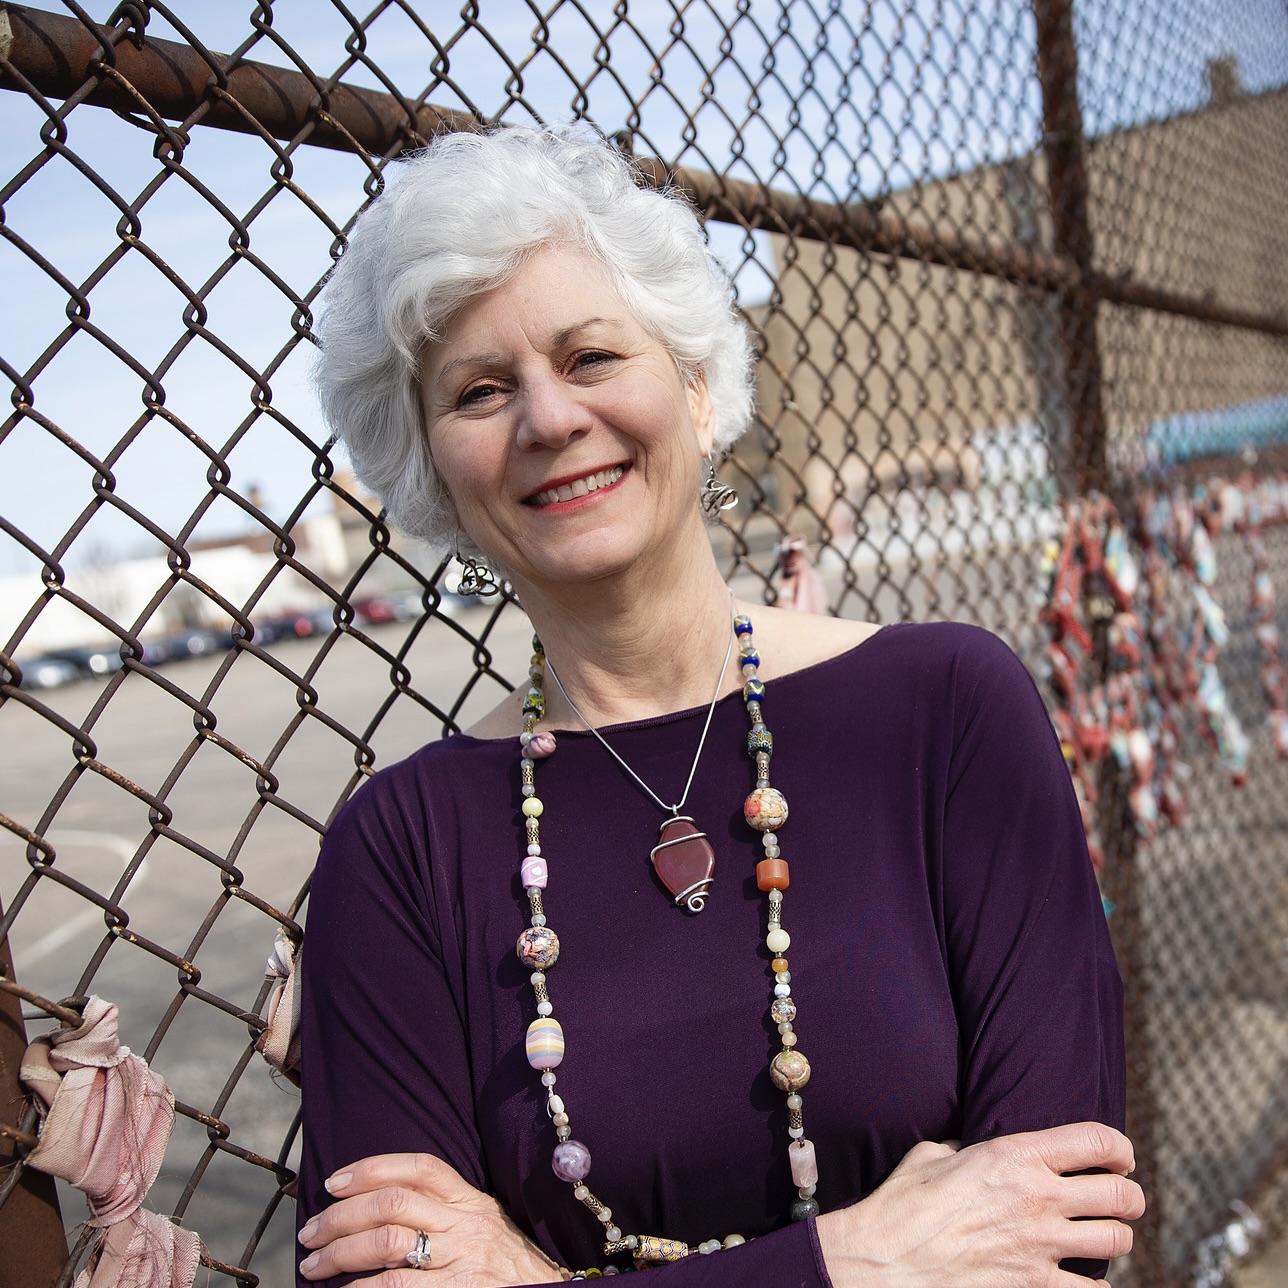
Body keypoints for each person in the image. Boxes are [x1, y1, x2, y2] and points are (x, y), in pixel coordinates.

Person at [295, 124, 1141, 1286]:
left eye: (590, 357)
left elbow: (1062, 1235)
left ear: (694, 389)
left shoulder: (948, 710)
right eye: (480, 392)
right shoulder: (397, 852)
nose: (548, 420)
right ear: (433, 471)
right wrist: (862, 1260)